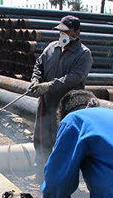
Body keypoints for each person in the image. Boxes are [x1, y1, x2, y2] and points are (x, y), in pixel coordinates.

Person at [29, 15, 92, 165]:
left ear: (76, 33)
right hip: (46, 102)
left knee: (63, 141)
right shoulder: (51, 48)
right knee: (42, 138)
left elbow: (74, 77)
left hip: (67, 107)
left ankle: (60, 177)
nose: (62, 35)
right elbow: (39, 64)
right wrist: (35, 79)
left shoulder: (83, 54)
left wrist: (49, 85)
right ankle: (41, 171)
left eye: (66, 32)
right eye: (61, 31)